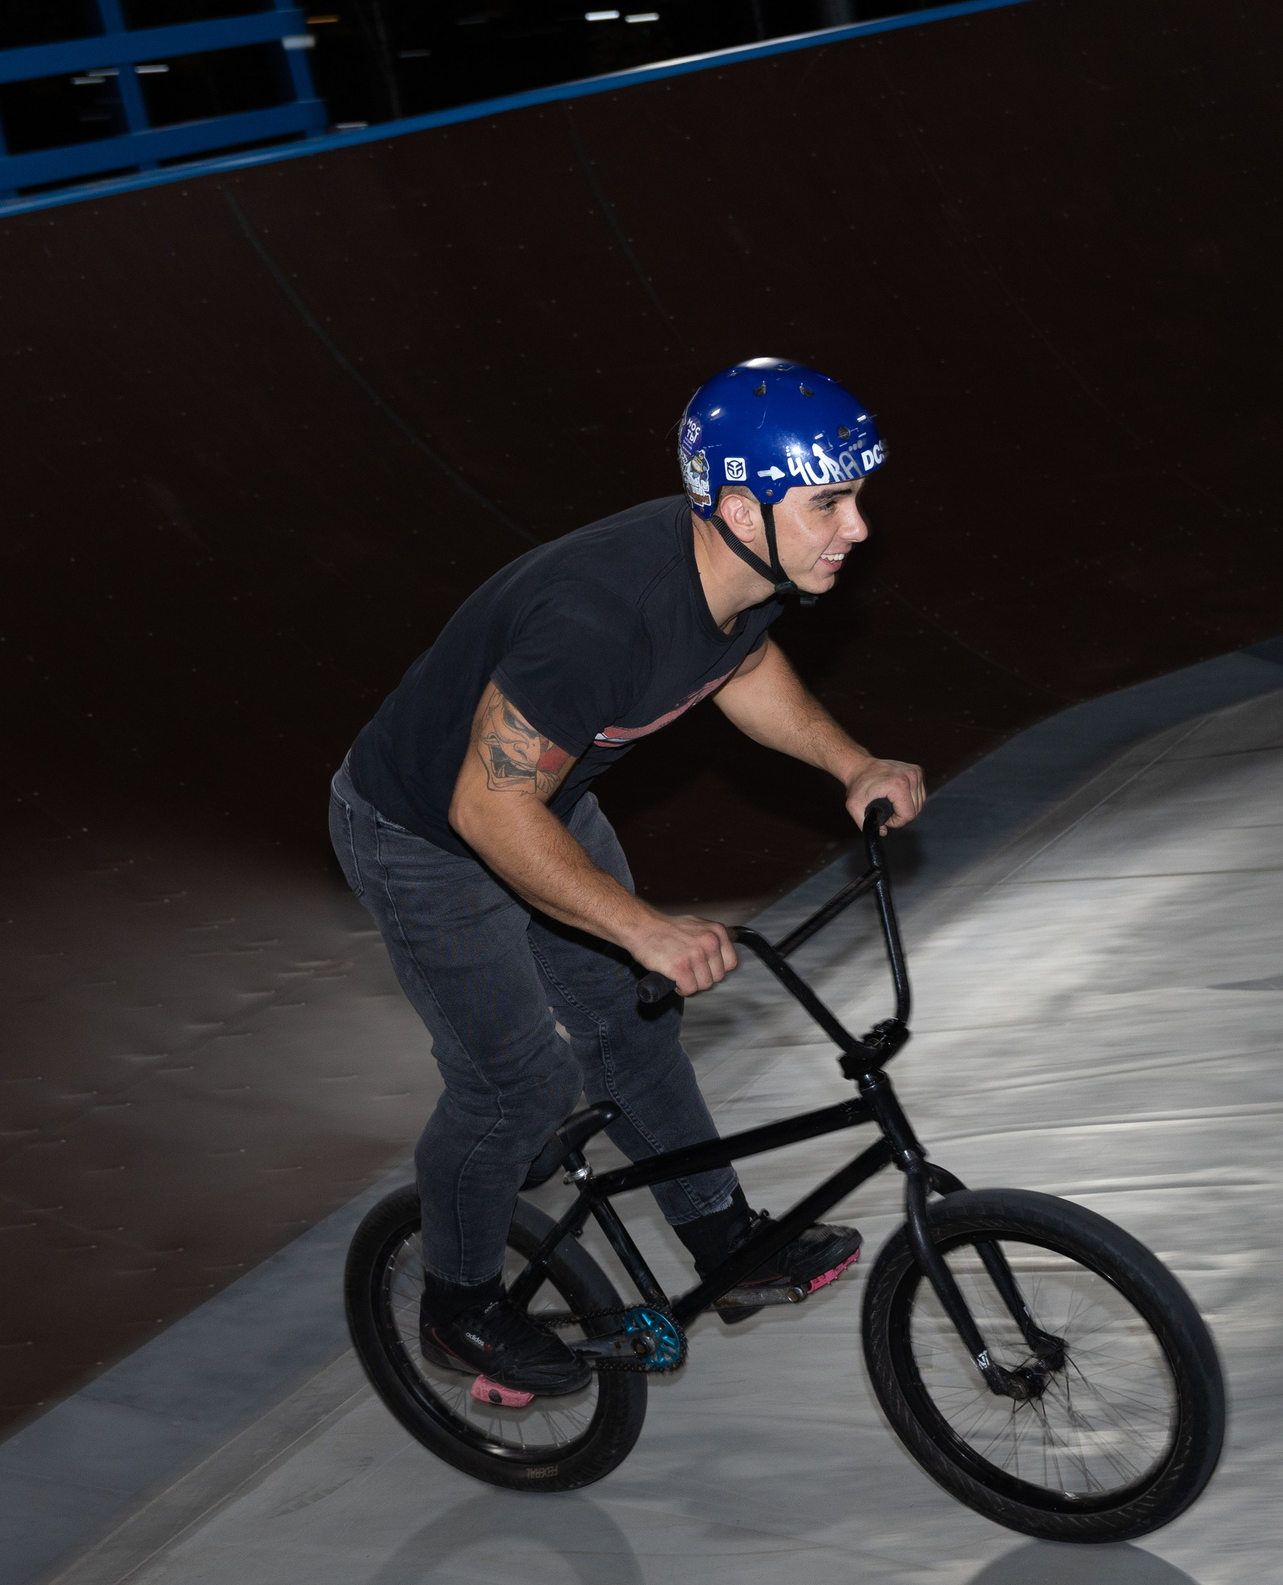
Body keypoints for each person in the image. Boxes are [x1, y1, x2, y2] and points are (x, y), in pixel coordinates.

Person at [327, 357, 926, 1399]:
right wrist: (643, 927)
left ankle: (723, 1242)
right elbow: (483, 808)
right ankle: (457, 1306)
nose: (857, 527)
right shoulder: (598, 616)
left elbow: (737, 665)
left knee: (631, 1024)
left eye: (858, 496)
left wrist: (850, 762)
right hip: (424, 831)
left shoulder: (741, 574)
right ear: (742, 503)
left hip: (542, 805)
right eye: (831, 500)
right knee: (516, 1080)